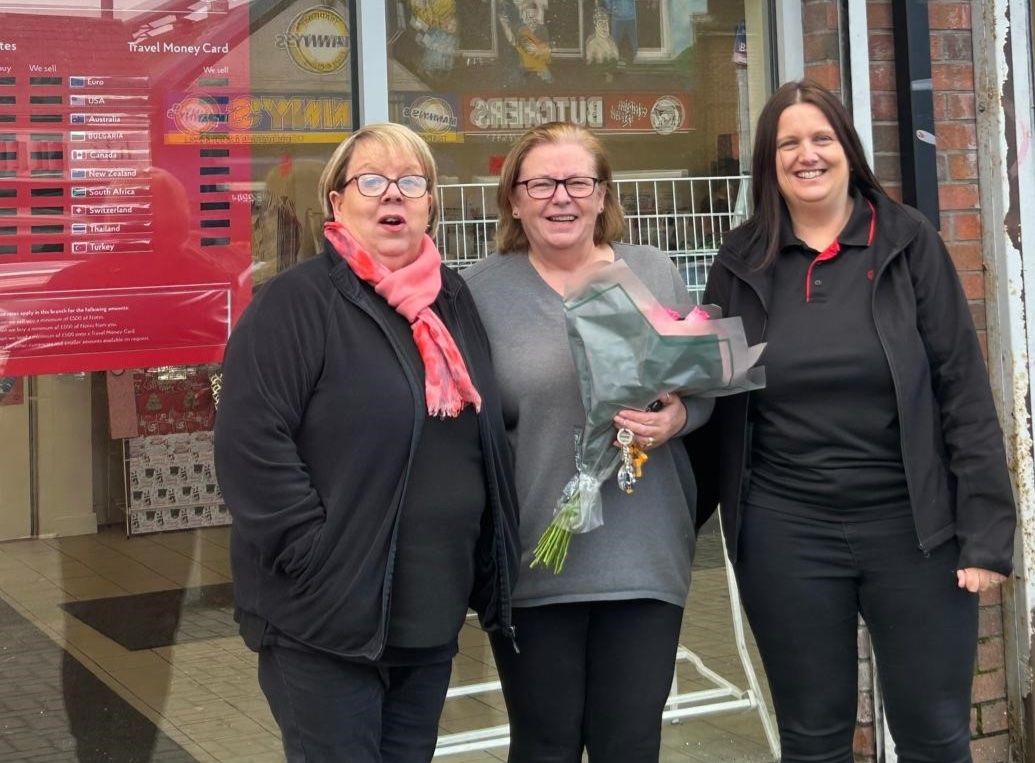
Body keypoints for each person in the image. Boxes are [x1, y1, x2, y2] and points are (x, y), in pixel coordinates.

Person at [687, 80, 1017, 762]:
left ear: (847, 149)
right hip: (785, 529)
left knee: (934, 734)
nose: (805, 155)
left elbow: (961, 388)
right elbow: (714, 393)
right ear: (769, 161)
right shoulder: (740, 259)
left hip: (914, 529)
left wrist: (985, 534)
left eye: (821, 138)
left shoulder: (907, 242)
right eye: (787, 143)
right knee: (812, 738)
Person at [213, 122, 519, 763]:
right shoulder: (296, 303)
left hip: (429, 610)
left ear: (430, 202)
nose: (393, 195)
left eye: (411, 182)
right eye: (372, 181)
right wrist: (314, 555)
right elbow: (251, 443)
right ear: (337, 201)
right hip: (326, 618)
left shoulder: (452, 300)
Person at [462, 121, 713, 762]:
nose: (561, 198)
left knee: (629, 744)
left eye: (578, 182)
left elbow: (703, 387)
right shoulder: (480, 292)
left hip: (643, 555)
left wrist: (676, 418)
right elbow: (468, 426)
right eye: (541, 184)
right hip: (534, 561)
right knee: (542, 745)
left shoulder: (652, 272)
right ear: (514, 199)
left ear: (603, 195)